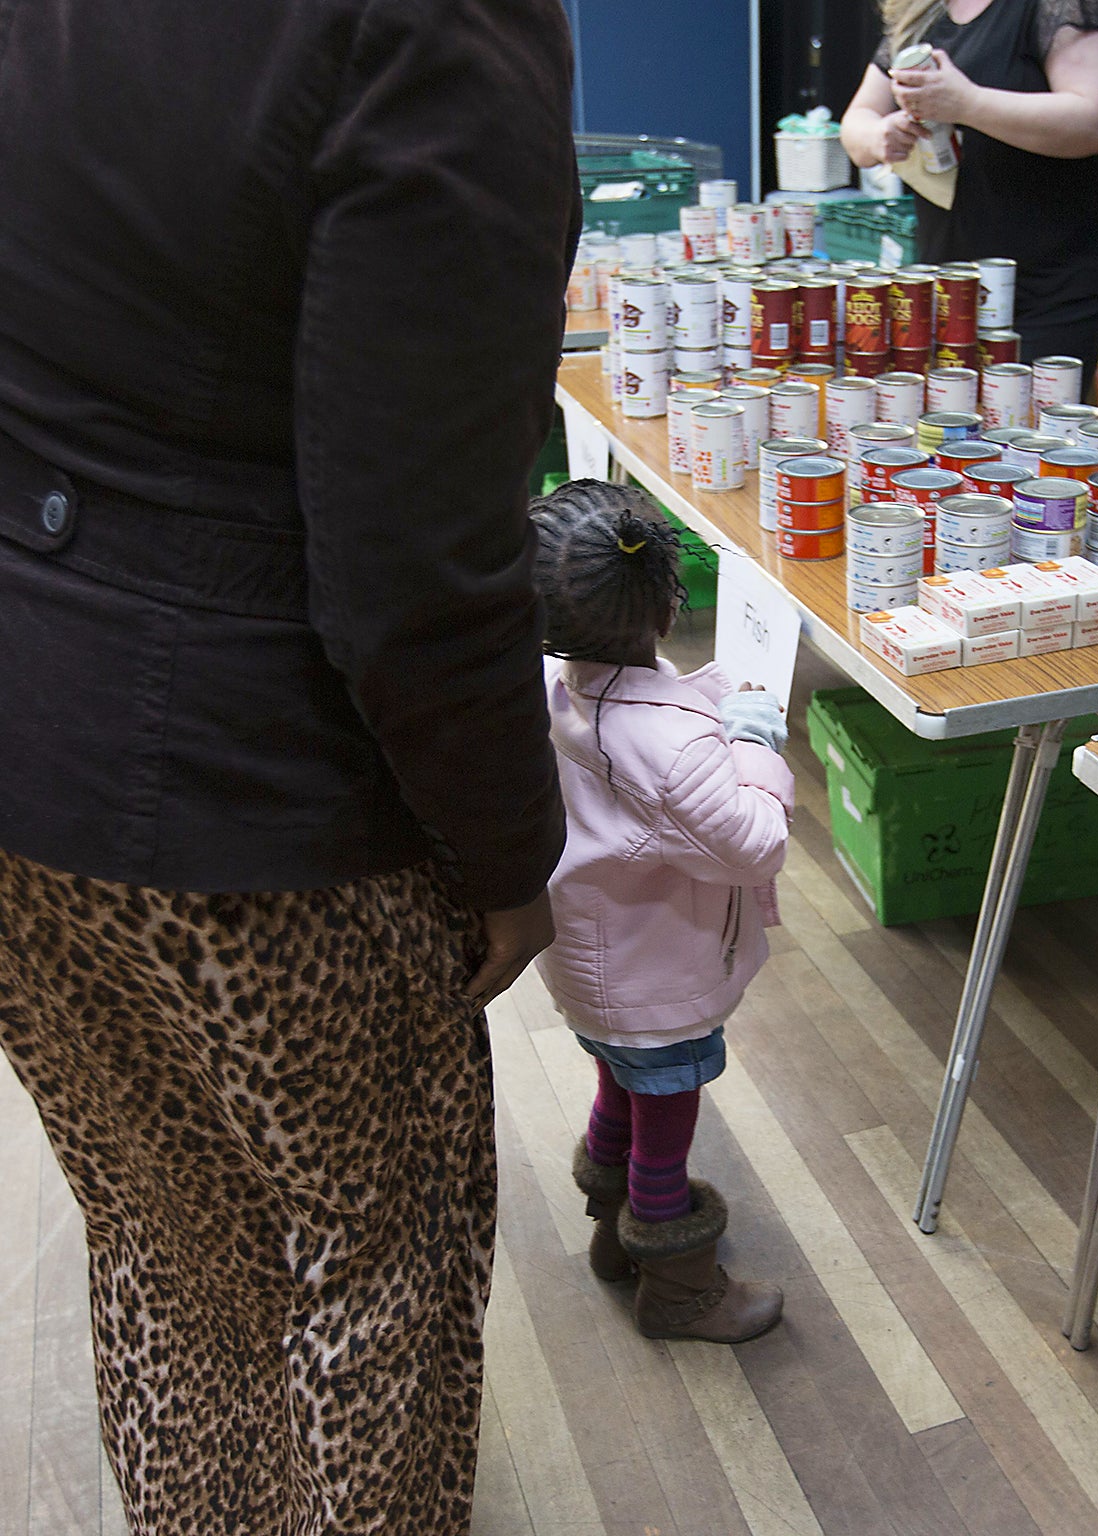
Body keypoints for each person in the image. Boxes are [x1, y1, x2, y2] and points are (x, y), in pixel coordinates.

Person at [0, 1, 576, 1530]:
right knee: (360, 1285)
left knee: (165, 1237)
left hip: (30, 739)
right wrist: (511, 854)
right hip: (252, 804)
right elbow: (420, 560)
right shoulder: (436, 25)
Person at [533, 482, 794, 1343]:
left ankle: (614, 1235)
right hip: (656, 973)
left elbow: (652, 725)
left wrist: (715, 710)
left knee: (621, 1079)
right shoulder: (670, 746)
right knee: (667, 1114)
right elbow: (753, 843)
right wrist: (753, 741)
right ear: (663, 602)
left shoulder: (557, 684)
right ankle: (679, 1284)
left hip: (593, 959)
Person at [840, 0, 1098, 389]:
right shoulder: (921, 8)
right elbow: (857, 119)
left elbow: (1092, 121)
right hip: (955, 267)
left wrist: (967, 103)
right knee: (954, 420)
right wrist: (879, 136)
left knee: (1029, 425)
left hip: (1055, 268)